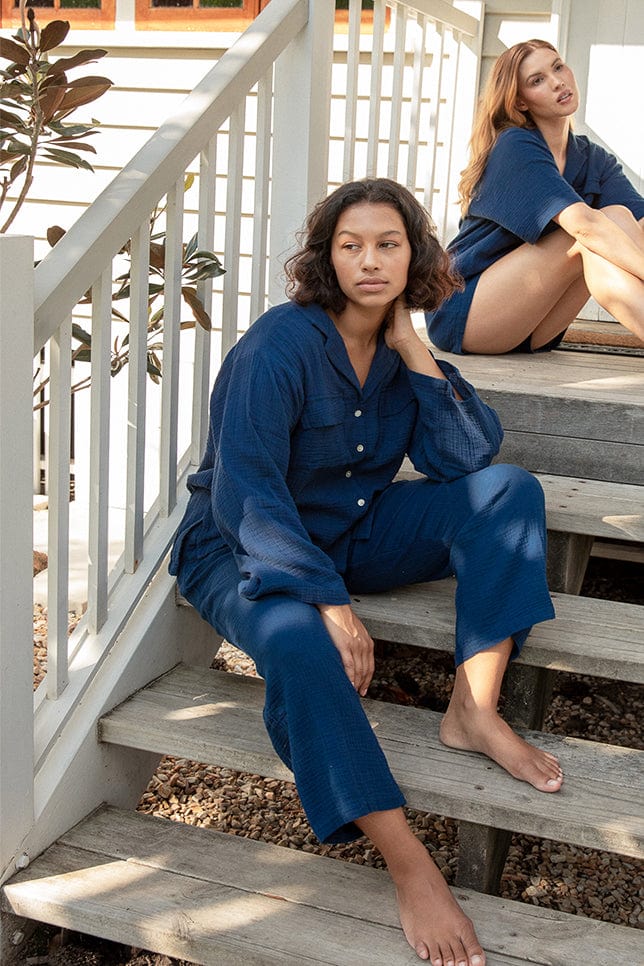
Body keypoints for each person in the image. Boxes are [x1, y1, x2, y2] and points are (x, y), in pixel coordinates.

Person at [170, 177, 563, 965]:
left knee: (509, 490)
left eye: (388, 244)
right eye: (351, 246)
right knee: (295, 641)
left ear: (413, 254)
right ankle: (409, 865)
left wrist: (417, 352)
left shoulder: (398, 348)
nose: (370, 261)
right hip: (241, 543)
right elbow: (247, 493)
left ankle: (473, 709)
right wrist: (328, 602)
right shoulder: (279, 344)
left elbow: (465, 457)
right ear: (329, 258)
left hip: (355, 529)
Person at [425, 39, 644, 355]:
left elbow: (637, 226)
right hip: (464, 312)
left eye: (557, 67)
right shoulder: (515, 146)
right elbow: (583, 226)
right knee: (583, 236)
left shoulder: (593, 158)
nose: (557, 82)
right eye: (537, 80)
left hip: (534, 327)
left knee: (619, 217)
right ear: (522, 102)